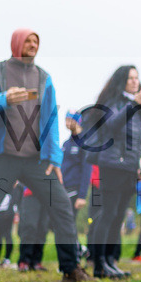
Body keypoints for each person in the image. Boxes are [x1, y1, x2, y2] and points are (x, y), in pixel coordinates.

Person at [0, 28, 90, 282]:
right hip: (2, 158)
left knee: (61, 208)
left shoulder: (44, 78)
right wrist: (3, 98)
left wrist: (54, 159)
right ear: (16, 43)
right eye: (28, 40)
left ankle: (71, 270)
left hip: (36, 161)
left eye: (37, 41)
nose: (33, 44)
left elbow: (51, 120)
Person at [82, 64, 141, 279]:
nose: (134, 81)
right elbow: (111, 125)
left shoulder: (137, 108)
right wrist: (133, 105)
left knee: (118, 215)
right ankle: (99, 263)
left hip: (129, 168)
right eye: (130, 78)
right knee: (108, 214)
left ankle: (110, 261)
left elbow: (136, 142)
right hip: (112, 165)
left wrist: (138, 166)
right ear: (121, 80)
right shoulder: (114, 103)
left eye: (137, 78)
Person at [60, 110, 92, 260]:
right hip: (63, 189)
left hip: (75, 191)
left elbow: (87, 170)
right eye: (65, 119)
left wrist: (82, 195)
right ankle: (80, 249)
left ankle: (75, 256)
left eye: (70, 120)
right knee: (64, 225)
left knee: (69, 224)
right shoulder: (66, 144)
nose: (67, 123)